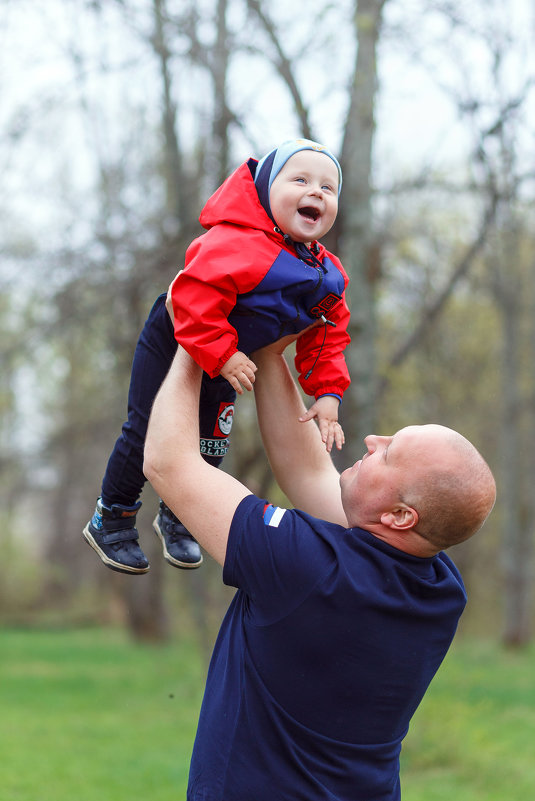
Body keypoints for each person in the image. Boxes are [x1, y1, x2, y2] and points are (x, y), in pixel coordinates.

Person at [143, 342, 496, 801]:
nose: (373, 441)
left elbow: (168, 463)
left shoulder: (305, 568)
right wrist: (271, 357)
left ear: (400, 517)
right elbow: (306, 470)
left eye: (388, 453)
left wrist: (195, 336)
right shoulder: (441, 591)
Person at [83, 138, 351, 575]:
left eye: (329, 187)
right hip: (180, 339)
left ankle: (180, 514)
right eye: (300, 179)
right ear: (265, 190)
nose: (317, 191)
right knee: (148, 429)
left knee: (213, 438)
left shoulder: (325, 274)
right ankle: (112, 516)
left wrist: (327, 392)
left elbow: (328, 333)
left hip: (235, 358)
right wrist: (221, 353)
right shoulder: (235, 242)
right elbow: (190, 296)